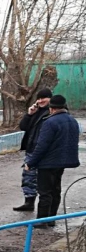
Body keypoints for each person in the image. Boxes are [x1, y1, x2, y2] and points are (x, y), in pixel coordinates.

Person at [24, 94, 81, 227]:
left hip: (48, 162)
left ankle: (41, 221)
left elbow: (42, 145)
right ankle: (51, 219)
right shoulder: (72, 120)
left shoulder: (50, 122)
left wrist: (30, 162)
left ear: (52, 108)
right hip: (62, 162)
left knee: (45, 192)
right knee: (55, 190)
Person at [15, 88, 52, 211]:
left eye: (43, 98)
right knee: (28, 177)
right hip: (31, 149)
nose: (40, 101)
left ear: (50, 99)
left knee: (44, 181)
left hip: (44, 151)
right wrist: (29, 114)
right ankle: (29, 202)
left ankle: (45, 211)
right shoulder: (37, 111)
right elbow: (23, 127)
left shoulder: (52, 113)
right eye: (39, 98)